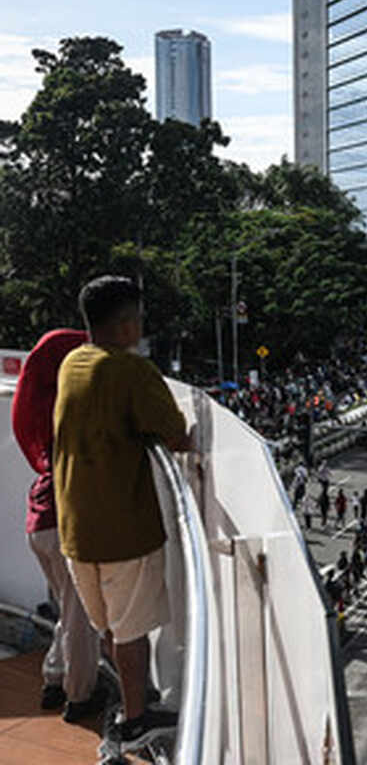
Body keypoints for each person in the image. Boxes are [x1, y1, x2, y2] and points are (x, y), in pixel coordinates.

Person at [53, 276, 189, 752]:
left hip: (76, 530)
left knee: (111, 629)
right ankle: (136, 720)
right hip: (122, 534)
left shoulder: (73, 363)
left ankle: (133, 702)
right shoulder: (132, 373)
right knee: (132, 636)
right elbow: (178, 435)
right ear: (129, 325)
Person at [11, 328, 105, 722]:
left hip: (39, 523)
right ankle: (79, 696)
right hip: (64, 524)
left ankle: (53, 678)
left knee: (68, 611)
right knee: (81, 614)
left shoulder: (42, 406)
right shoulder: (73, 407)